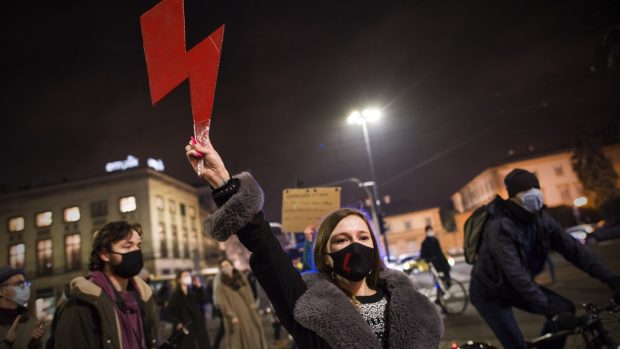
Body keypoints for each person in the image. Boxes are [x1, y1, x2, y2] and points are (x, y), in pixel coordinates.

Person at [185, 137, 442, 348]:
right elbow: (265, 248)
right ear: (326, 254)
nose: (355, 245)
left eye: (363, 237)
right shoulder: (311, 307)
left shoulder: (415, 308)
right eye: (342, 240)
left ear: (374, 246)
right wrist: (225, 184)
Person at [469, 168, 620, 349]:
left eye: (535, 188)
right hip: (489, 293)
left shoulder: (542, 220)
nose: (533, 193)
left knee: (565, 309)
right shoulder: (499, 226)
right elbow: (515, 274)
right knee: (517, 345)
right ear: (513, 197)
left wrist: (611, 279)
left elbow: (576, 251)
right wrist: (550, 310)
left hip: (515, 287)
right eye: (526, 190)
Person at [49, 221, 158, 349]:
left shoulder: (143, 298)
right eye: (127, 247)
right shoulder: (82, 305)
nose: (136, 252)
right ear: (105, 254)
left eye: (138, 246)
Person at [213, 258, 268, 349]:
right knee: (237, 340)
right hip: (235, 315)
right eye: (222, 266)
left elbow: (249, 293)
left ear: (231, 266)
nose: (225, 268)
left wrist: (253, 306)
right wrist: (231, 315)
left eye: (227, 265)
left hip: (247, 312)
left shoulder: (240, 278)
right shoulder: (220, 284)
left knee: (253, 335)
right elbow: (223, 302)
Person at [164, 270, 211, 349]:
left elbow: (204, 300)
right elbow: (168, 313)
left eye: (188, 275)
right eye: (185, 276)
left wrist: (199, 287)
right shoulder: (175, 295)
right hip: (185, 328)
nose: (188, 277)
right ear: (179, 279)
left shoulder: (192, 292)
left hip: (198, 326)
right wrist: (177, 322)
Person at [0, 267, 44, 349]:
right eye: (19, 284)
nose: (26, 288)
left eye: (26, 284)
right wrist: (7, 343)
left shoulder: (30, 322)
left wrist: (35, 344)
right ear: (2, 291)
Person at [420, 225, 451, 310]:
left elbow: (440, 252)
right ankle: (440, 300)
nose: (431, 231)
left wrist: (446, 263)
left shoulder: (435, 240)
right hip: (434, 266)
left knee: (447, 281)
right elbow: (423, 255)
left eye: (431, 230)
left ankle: (439, 298)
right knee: (439, 283)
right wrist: (429, 260)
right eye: (429, 230)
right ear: (426, 232)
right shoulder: (424, 243)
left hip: (442, 264)